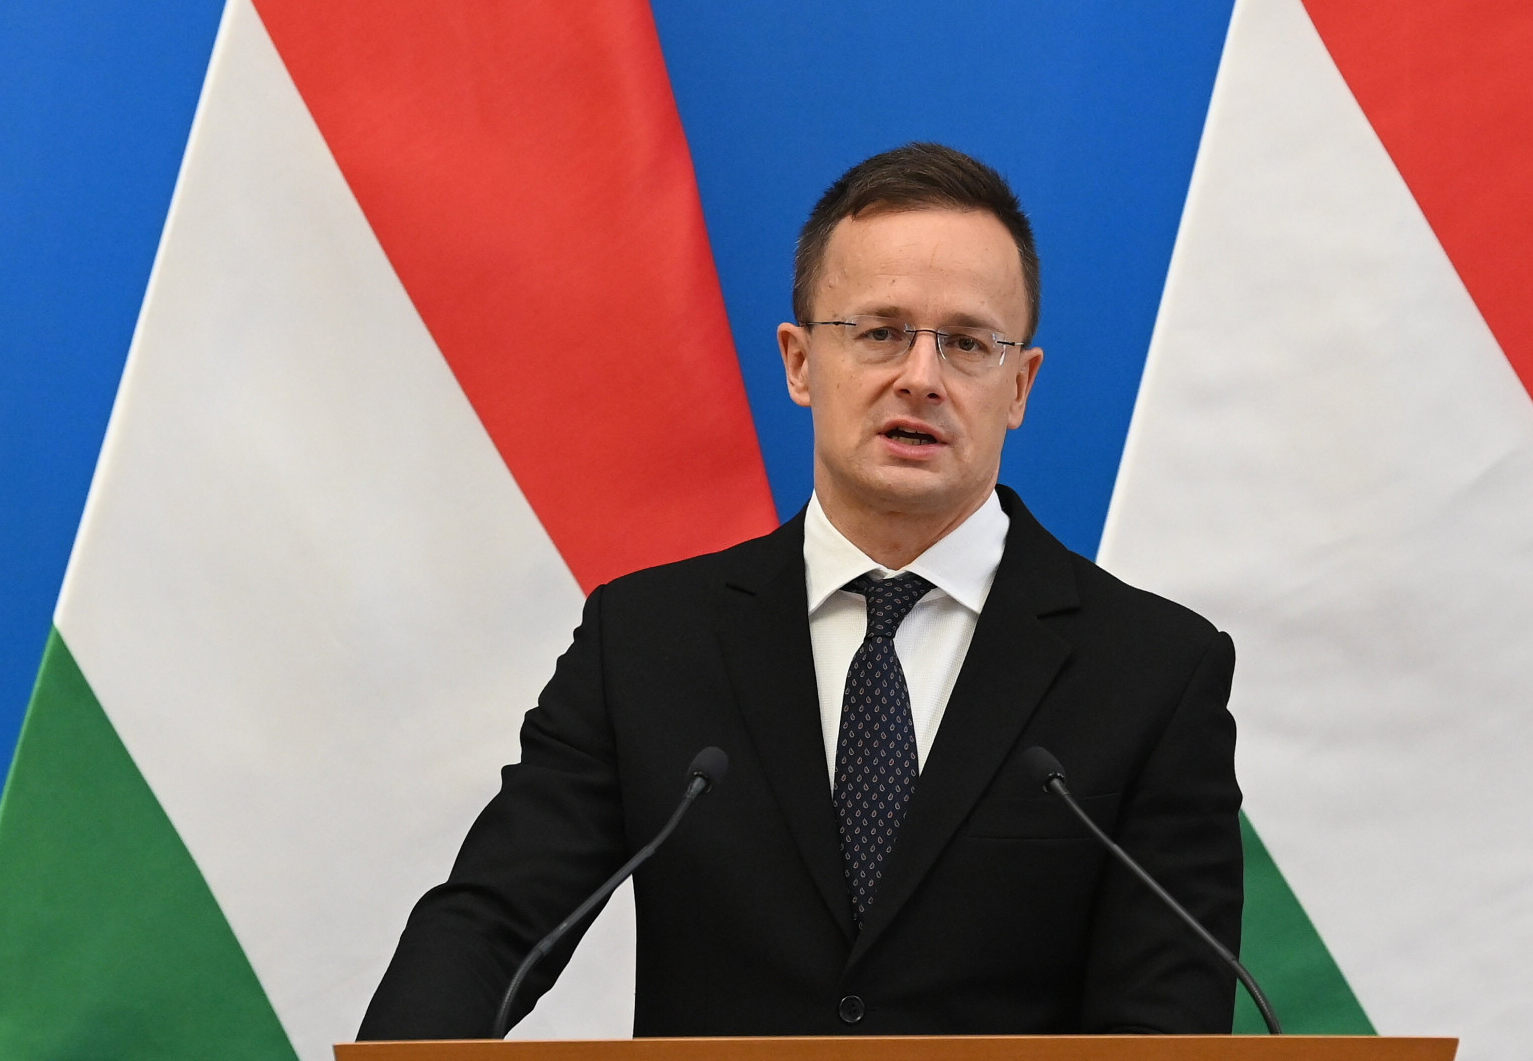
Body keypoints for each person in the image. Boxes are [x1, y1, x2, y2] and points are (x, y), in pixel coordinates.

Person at [359, 142, 1243, 1039]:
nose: (922, 378)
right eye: (881, 332)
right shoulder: (647, 642)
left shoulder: (1154, 673)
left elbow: (1166, 1022)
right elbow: (492, 925)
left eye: (968, 344)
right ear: (799, 362)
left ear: (1019, 386)